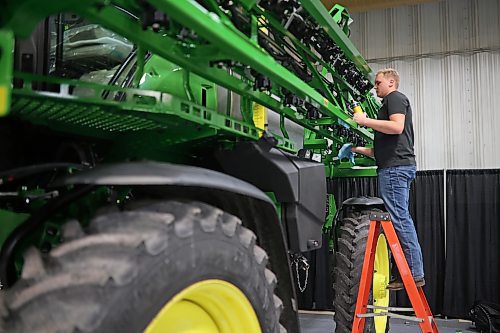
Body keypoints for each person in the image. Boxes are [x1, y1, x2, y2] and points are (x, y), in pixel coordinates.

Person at [351, 68, 424, 290]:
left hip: (394, 169)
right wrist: (355, 148)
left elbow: (396, 127)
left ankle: (412, 272)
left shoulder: (395, 98)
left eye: (378, 83)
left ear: (391, 82)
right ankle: (410, 271)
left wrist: (365, 121)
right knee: (400, 218)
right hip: (395, 167)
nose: (375, 87)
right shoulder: (389, 103)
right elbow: (380, 150)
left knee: (400, 219)